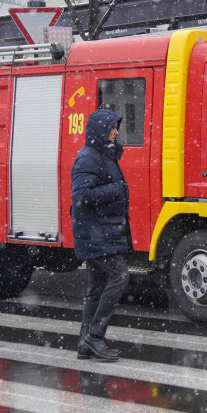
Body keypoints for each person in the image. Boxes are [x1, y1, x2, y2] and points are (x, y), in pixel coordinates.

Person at [70, 108, 132, 362]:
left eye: (116, 127)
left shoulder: (102, 155)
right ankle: (95, 335)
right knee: (120, 276)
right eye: (112, 127)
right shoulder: (88, 159)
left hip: (101, 230)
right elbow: (81, 198)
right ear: (100, 130)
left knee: (95, 288)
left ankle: (86, 343)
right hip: (95, 233)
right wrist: (116, 189)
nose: (116, 132)